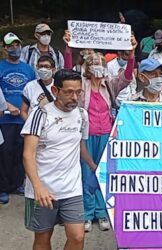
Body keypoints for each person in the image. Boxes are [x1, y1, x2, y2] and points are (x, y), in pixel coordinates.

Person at [22, 69, 96, 250]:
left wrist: (94, 166)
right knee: (42, 238)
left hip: (72, 188)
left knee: (78, 237)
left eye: (78, 92)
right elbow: (27, 154)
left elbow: (80, 145)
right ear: (55, 91)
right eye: (68, 92)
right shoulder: (40, 114)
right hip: (43, 190)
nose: (75, 97)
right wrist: (38, 187)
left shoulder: (81, 115)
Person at [79, 38, 136, 232]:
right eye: (94, 64)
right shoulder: (81, 85)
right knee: (87, 173)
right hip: (86, 136)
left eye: (102, 64)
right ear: (86, 67)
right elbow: (68, 71)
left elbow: (127, 77)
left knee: (103, 173)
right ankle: (87, 214)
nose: (98, 67)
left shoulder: (108, 85)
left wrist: (132, 53)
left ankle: (102, 212)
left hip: (106, 134)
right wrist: (69, 49)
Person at [0, 32, 36, 203]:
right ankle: (3, 187)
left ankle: (16, 184)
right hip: (5, 119)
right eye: (11, 45)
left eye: (17, 45)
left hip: (23, 119)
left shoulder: (28, 69)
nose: (15, 48)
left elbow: (33, 91)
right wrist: (6, 105)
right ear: (5, 48)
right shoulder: (1, 67)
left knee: (21, 153)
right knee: (4, 153)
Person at [21, 55, 56, 120]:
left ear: (53, 69)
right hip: (34, 126)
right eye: (41, 66)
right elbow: (23, 111)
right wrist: (30, 124)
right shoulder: (30, 86)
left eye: (46, 66)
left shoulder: (59, 86)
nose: (43, 69)